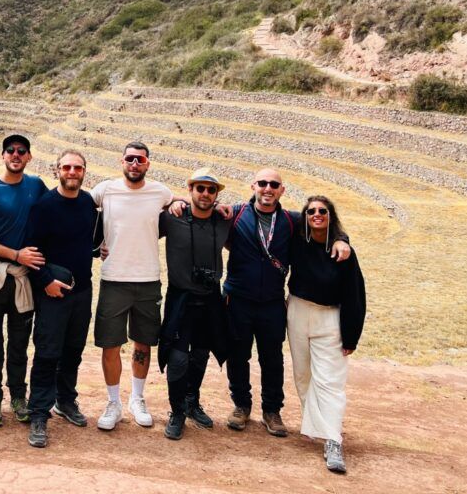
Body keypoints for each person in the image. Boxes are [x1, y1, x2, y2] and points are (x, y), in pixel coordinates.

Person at [221, 169, 350, 438]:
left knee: (272, 358)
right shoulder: (234, 214)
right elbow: (202, 209)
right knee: (238, 355)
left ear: (282, 190)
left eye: (274, 185)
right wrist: (176, 201)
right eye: (263, 183)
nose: (268, 188)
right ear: (253, 185)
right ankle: (241, 406)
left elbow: (323, 226)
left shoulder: (292, 221)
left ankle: (272, 411)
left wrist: (341, 239)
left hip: (271, 301)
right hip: (238, 299)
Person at [91, 142, 175, 431]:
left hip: (148, 279)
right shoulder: (105, 190)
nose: (135, 163)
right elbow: (80, 211)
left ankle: (137, 398)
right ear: (121, 161)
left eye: (140, 159)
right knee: (110, 343)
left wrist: (179, 203)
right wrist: (95, 245)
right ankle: (113, 402)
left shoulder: (160, 192)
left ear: (148, 164)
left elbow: (177, 204)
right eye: (130, 158)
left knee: (143, 342)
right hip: (114, 278)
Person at [25, 150, 100, 448]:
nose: (72, 171)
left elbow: (86, 241)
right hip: (53, 293)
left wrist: (98, 251)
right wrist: (45, 282)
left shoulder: (87, 203)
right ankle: (39, 412)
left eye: (77, 167)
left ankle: (66, 400)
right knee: (47, 352)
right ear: (57, 170)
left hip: (82, 291)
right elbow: (30, 251)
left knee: (73, 350)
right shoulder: (44, 207)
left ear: (84, 171)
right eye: (66, 167)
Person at [0, 134, 48, 427]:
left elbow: (54, 214)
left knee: (19, 342)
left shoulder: (36, 186)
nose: (16, 155)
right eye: (10, 150)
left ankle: (18, 395)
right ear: (3, 156)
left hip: (22, 280)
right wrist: (16, 255)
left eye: (22, 151)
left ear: (28, 157)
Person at [287, 195, 366, 474]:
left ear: (331, 216)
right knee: (303, 375)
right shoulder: (297, 239)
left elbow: (355, 294)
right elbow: (268, 209)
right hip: (297, 311)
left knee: (330, 380)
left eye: (323, 211)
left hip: (329, 318)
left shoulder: (343, 251)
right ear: (304, 216)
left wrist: (351, 336)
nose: (316, 215)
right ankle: (315, 426)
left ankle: (333, 439)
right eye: (311, 212)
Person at [157, 168, 230, 440]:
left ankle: (191, 401)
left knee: (201, 353)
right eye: (200, 188)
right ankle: (176, 411)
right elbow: (141, 220)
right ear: (190, 190)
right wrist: (172, 201)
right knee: (177, 358)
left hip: (210, 297)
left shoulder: (224, 221)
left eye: (211, 190)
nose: (206, 194)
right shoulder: (172, 217)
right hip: (181, 297)